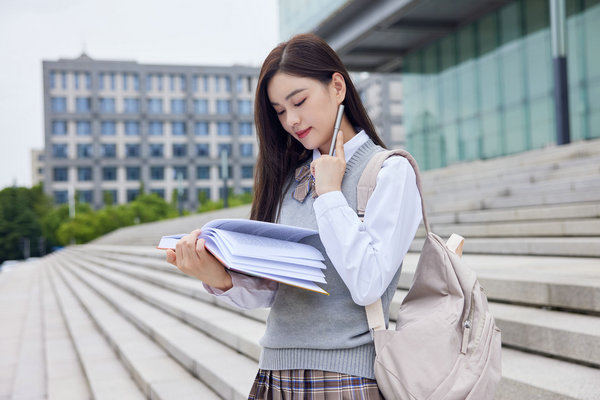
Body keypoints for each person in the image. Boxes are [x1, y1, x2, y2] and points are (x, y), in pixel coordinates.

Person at [166, 33, 422, 399]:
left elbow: (369, 282)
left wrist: (331, 194)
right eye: (280, 111)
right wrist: (218, 277)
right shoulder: (289, 176)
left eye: (299, 101)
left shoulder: (388, 171)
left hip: (345, 376)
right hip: (274, 371)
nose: (292, 120)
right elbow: (275, 290)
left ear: (337, 86)